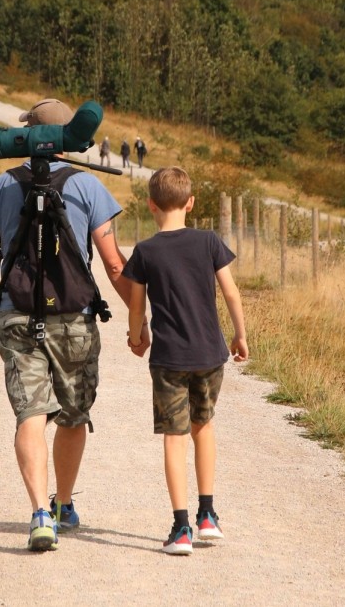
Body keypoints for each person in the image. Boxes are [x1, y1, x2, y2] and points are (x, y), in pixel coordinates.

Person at [0, 97, 150, 553]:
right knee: (72, 415)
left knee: (31, 414)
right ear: (70, 138)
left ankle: (39, 514)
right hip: (75, 320)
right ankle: (64, 503)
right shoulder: (88, 188)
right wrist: (138, 318)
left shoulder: (1, 185)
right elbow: (112, 265)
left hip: (18, 316)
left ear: (27, 135)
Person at [122, 166, 248, 556]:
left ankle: (181, 529)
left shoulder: (145, 251)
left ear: (150, 205)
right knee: (203, 428)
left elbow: (137, 305)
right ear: (190, 203)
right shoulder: (209, 242)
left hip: (169, 359)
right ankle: (207, 515)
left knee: (174, 439)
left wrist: (136, 336)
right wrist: (240, 334)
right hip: (210, 354)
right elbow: (231, 293)